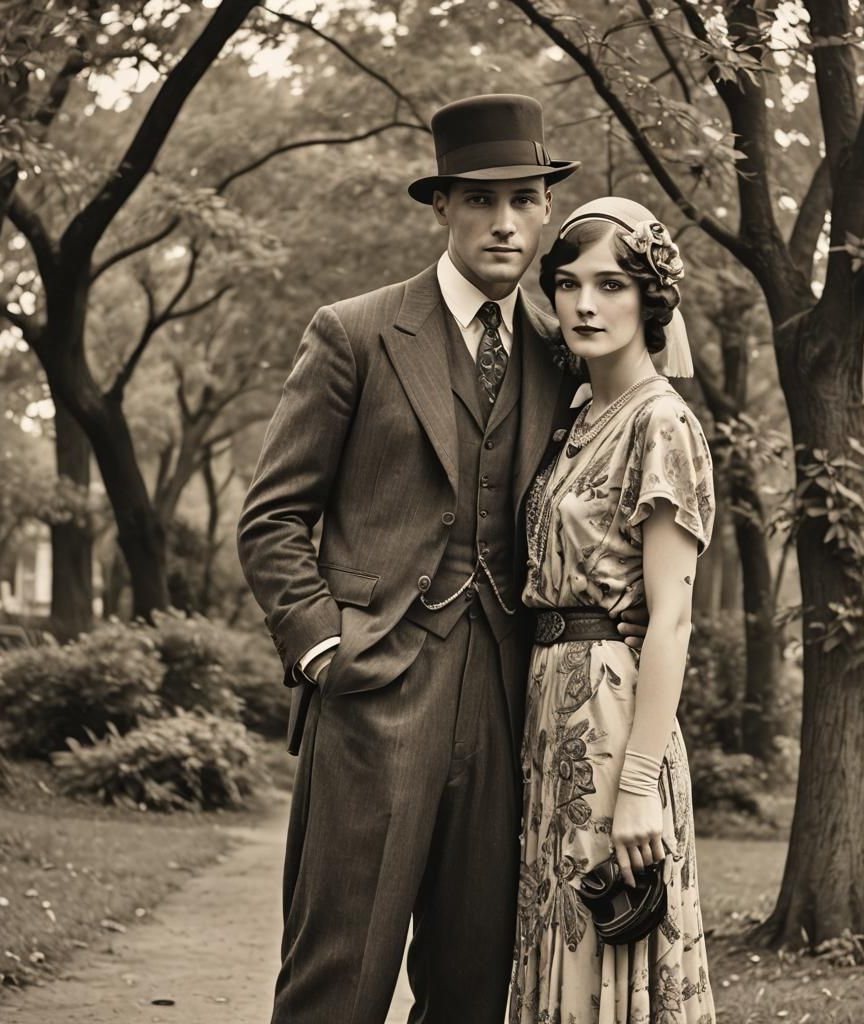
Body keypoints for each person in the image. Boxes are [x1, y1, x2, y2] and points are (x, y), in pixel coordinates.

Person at [236, 97, 647, 1024]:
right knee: (338, 979)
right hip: (374, 688)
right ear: (443, 207)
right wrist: (319, 650)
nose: (503, 222)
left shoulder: (560, 350)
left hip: (512, 701)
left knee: (472, 985)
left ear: (547, 213)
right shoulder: (356, 332)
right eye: (480, 200)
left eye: (524, 200)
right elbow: (271, 517)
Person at [511, 197, 717, 1023]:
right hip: (550, 708)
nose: (585, 304)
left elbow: (670, 618)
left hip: (613, 718)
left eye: (610, 284)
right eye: (566, 285)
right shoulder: (577, 416)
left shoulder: (662, 422)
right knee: (555, 938)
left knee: (609, 936)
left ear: (650, 299)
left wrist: (638, 786)